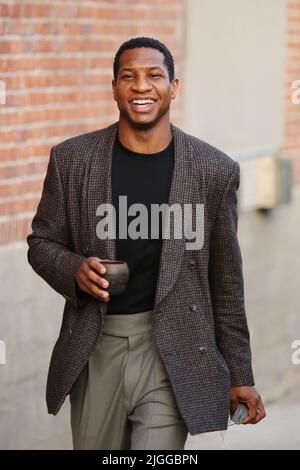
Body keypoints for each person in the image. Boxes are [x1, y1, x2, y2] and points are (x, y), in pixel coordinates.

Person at [27, 36, 266, 450]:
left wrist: (240, 373)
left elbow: (226, 280)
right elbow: (41, 242)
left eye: (154, 76)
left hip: (171, 347)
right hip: (97, 344)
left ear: (174, 87)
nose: (141, 86)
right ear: (115, 88)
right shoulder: (72, 160)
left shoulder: (213, 170)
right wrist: (74, 270)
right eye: (129, 77)